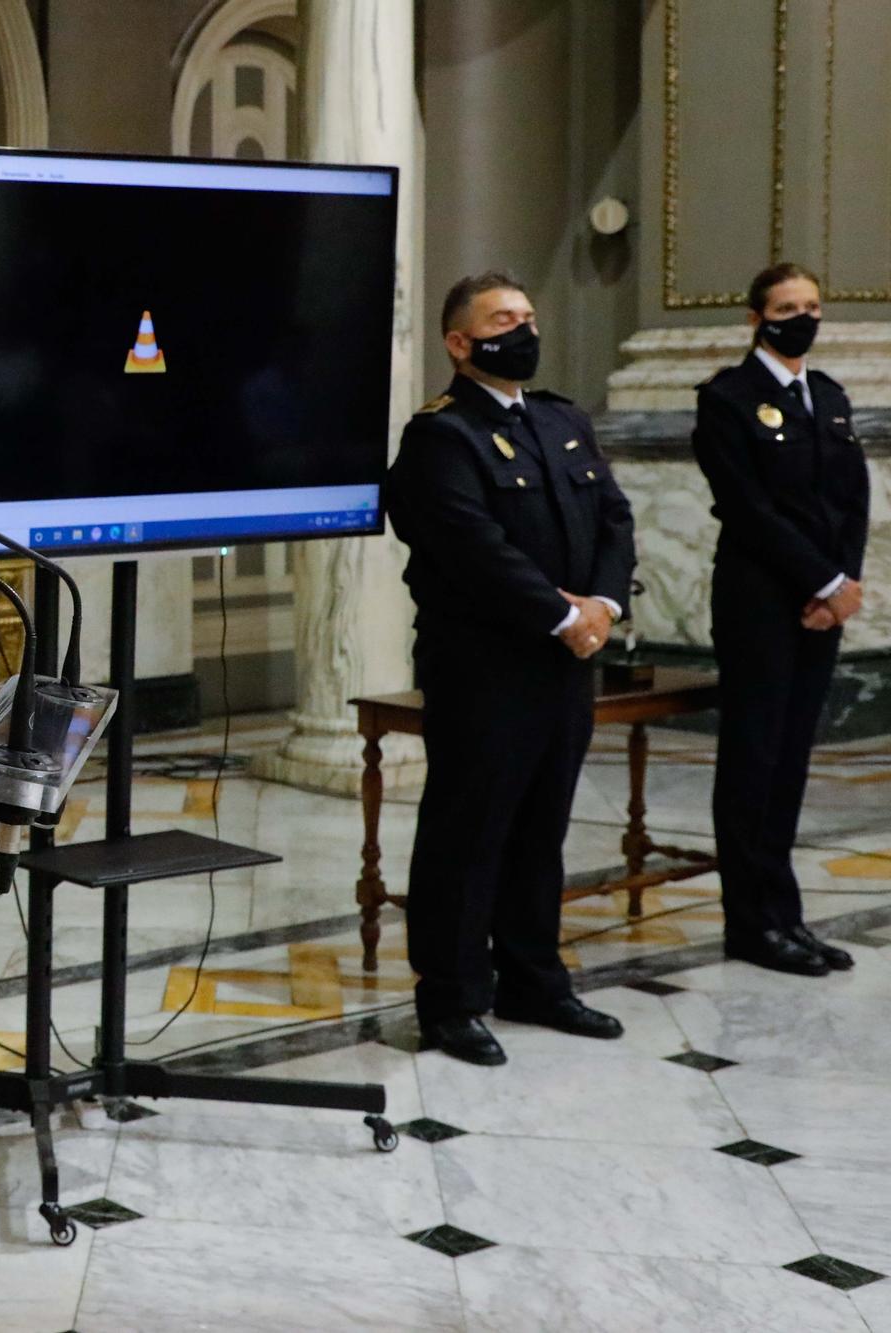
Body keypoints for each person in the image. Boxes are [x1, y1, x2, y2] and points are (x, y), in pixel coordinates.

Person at [384, 271, 635, 1067]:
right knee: (470, 828)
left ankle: (535, 977)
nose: (522, 330)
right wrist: (564, 616)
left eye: (528, 315)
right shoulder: (440, 435)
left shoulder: (562, 417)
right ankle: (452, 998)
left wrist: (602, 604)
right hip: (484, 666)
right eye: (502, 320)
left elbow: (614, 519)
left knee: (541, 825)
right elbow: (469, 546)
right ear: (460, 343)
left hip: (565, 663)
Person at [693, 262, 870, 976]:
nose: (802, 317)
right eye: (787, 306)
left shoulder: (826, 395)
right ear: (755, 317)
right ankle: (749, 923)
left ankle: (785, 915)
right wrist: (822, 579)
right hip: (760, 603)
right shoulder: (728, 399)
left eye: (812, 305)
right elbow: (748, 509)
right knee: (753, 760)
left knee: (792, 761)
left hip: (821, 607)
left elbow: (852, 497)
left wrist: (842, 585)